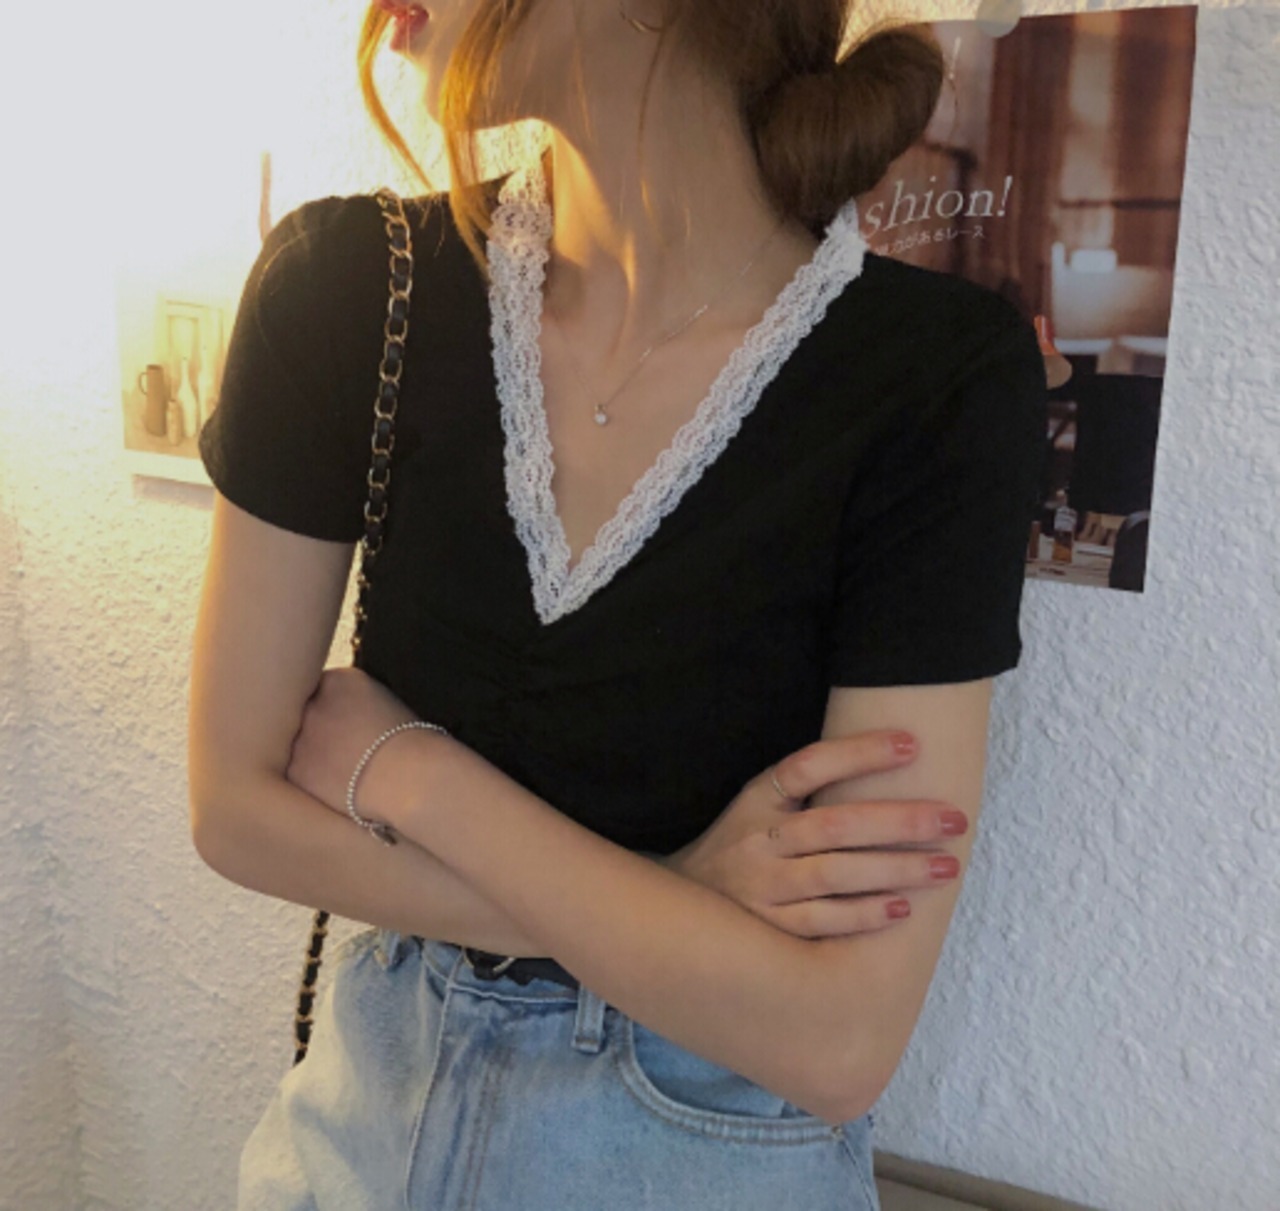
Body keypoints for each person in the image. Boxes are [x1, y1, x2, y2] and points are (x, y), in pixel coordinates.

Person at [187, 1, 1049, 1208]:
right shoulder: (347, 288)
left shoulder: (933, 378)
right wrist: (676, 892)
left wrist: (413, 774)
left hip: (702, 1153)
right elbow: (235, 812)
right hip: (359, 1139)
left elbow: (837, 1038)